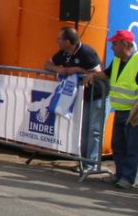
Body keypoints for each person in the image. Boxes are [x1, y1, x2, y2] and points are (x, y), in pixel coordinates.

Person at [44, 27, 107, 173]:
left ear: (67, 41)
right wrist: (58, 69)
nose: (57, 41)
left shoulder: (87, 52)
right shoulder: (64, 53)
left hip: (97, 94)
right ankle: (84, 162)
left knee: (94, 131)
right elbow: (46, 64)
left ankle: (91, 164)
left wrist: (78, 70)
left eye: (59, 39)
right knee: (84, 130)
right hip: (83, 96)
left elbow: (99, 73)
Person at [83, 30, 138, 189]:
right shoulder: (117, 60)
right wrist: (93, 76)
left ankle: (127, 178)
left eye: (115, 44)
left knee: (132, 147)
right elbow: (106, 74)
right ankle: (120, 175)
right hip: (120, 109)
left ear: (124, 44)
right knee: (118, 145)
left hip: (133, 111)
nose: (112, 47)